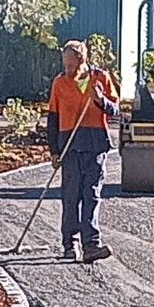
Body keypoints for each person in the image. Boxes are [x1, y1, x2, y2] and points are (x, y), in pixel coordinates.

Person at [43, 40, 119, 264]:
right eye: (65, 65)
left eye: (71, 65)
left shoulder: (100, 78)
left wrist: (100, 100)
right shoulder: (59, 83)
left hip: (95, 144)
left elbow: (114, 109)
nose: (68, 70)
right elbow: (53, 119)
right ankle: (70, 243)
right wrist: (54, 152)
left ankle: (91, 244)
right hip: (69, 145)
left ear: (82, 61)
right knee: (70, 195)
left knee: (91, 194)